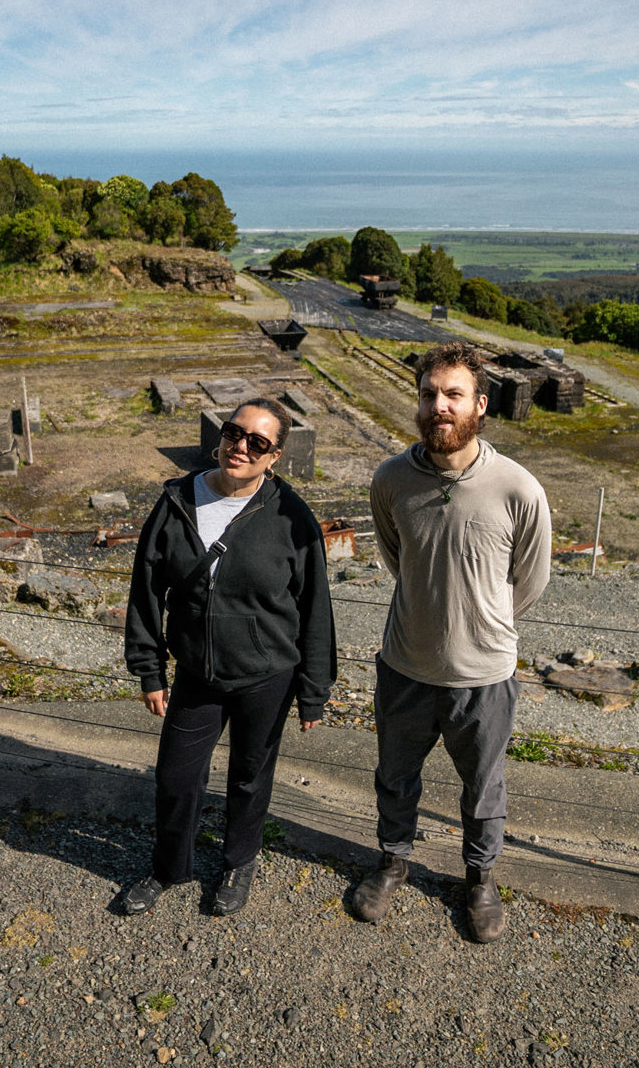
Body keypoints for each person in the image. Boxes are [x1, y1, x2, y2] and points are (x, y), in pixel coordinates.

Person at [352, 341, 551, 942]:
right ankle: (392, 862)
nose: (439, 406)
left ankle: (481, 878)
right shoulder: (390, 480)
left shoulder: (519, 489)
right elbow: (397, 558)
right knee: (395, 773)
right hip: (405, 666)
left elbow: (531, 580)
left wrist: (482, 624)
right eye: (429, 394)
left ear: (480, 404)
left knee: (484, 784)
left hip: (484, 677)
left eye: (453, 395)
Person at [121, 397, 335, 916]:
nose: (240, 447)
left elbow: (315, 607)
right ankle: (169, 868)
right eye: (234, 433)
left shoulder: (291, 516)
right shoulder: (176, 501)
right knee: (175, 777)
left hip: (269, 675)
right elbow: (146, 590)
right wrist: (150, 669)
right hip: (198, 672)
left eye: (258, 442)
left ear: (275, 456)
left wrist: (313, 691)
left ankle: (239, 862)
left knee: (250, 775)